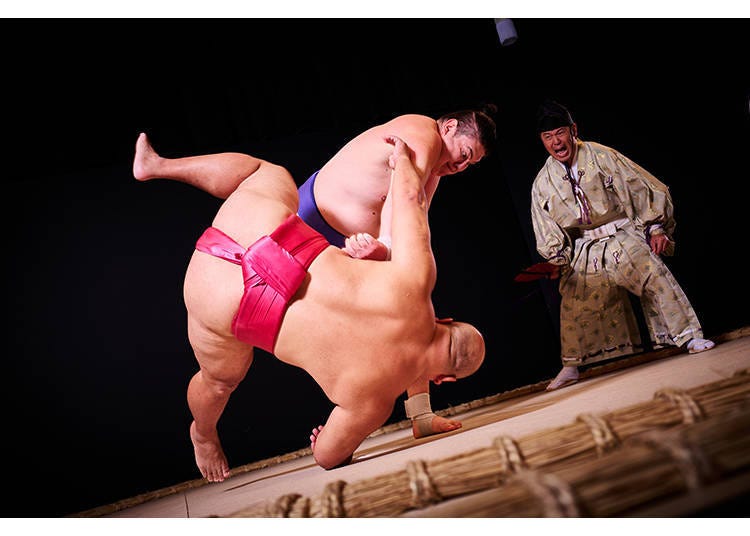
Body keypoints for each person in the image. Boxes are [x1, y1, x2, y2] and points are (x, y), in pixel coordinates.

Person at [133, 106, 497, 437]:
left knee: (413, 322)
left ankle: (416, 414)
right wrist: (385, 247)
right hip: (314, 220)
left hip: (348, 246)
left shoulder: (434, 168)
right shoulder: (422, 133)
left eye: (470, 165)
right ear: (449, 127)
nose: (460, 166)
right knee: (415, 313)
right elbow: (407, 200)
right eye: (464, 154)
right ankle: (159, 166)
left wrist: (384, 249)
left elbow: (409, 217)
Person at [530, 100, 715, 391]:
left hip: (622, 233)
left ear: (573, 130)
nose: (556, 142)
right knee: (574, 298)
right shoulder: (543, 181)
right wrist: (557, 261)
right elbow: (545, 225)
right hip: (587, 246)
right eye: (548, 137)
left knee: (653, 274)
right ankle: (572, 365)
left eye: (560, 133)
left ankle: (690, 336)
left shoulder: (602, 156)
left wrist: (655, 227)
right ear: (542, 141)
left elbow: (639, 187)